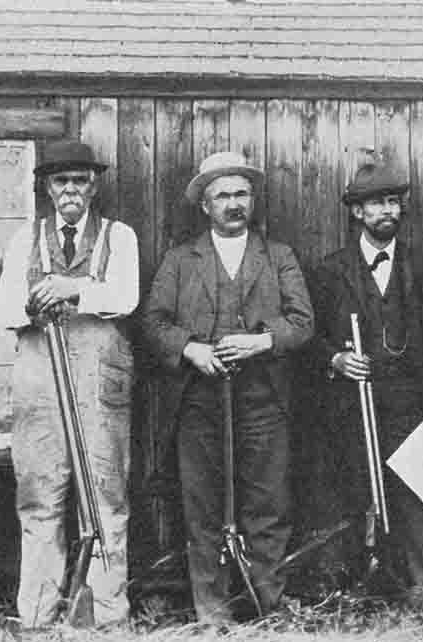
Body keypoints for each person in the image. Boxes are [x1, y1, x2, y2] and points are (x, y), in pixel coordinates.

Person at [141, 151, 314, 623]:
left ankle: (268, 610)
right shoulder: (180, 261)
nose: (234, 203)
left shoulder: (278, 257)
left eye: (241, 194)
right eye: (223, 195)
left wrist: (261, 341)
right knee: (202, 512)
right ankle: (213, 617)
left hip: (264, 404)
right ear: (205, 205)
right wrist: (191, 349)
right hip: (198, 405)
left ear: (252, 200)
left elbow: (304, 323)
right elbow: (153, 324)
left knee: (267, 509)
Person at [0, 140, 139, 627]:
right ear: (47, 188)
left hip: (98, 380)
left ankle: (106, 616)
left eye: (79, 180)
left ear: (93, 186)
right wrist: (38, 302)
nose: (70, 189)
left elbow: (125, 296)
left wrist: (72, 288)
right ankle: (36, 615)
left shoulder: (119, 237)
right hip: (39, 378)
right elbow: (4, 310)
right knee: (40, 495)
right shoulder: (24, 240)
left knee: (105, 496)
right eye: (61, 181)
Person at [306, 163, 423, 611]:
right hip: (353, 405)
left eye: (393, 202)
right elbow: (308, 336)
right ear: (356, 212)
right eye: (375, 204)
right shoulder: (331, 271)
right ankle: (355, 592)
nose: (387, 211)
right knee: (355, 496)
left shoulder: (420, 266)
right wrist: (336, 359)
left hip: (410, 402)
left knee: (420, 495)